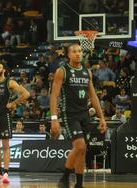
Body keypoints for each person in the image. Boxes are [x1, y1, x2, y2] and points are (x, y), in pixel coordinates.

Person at [50, 44, 106, 188]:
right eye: (74, 51)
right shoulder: (62, 71)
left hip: (84, 115)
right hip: (70, 115)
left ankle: (79, 184)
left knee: (82, 150)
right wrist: (54, 119)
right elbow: (54, 96)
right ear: (68, 55)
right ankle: (65, 177)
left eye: (80, 51)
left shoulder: (87, 72)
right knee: (80, 146)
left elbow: (93, 96)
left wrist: (102, 117)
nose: (78, 54)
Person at [0, 61, 30, 183]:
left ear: (4, 70)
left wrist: (13, 103)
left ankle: (6, 174)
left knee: (5, 146)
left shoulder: (10, 82)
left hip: (4, 116)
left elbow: (26, 94)